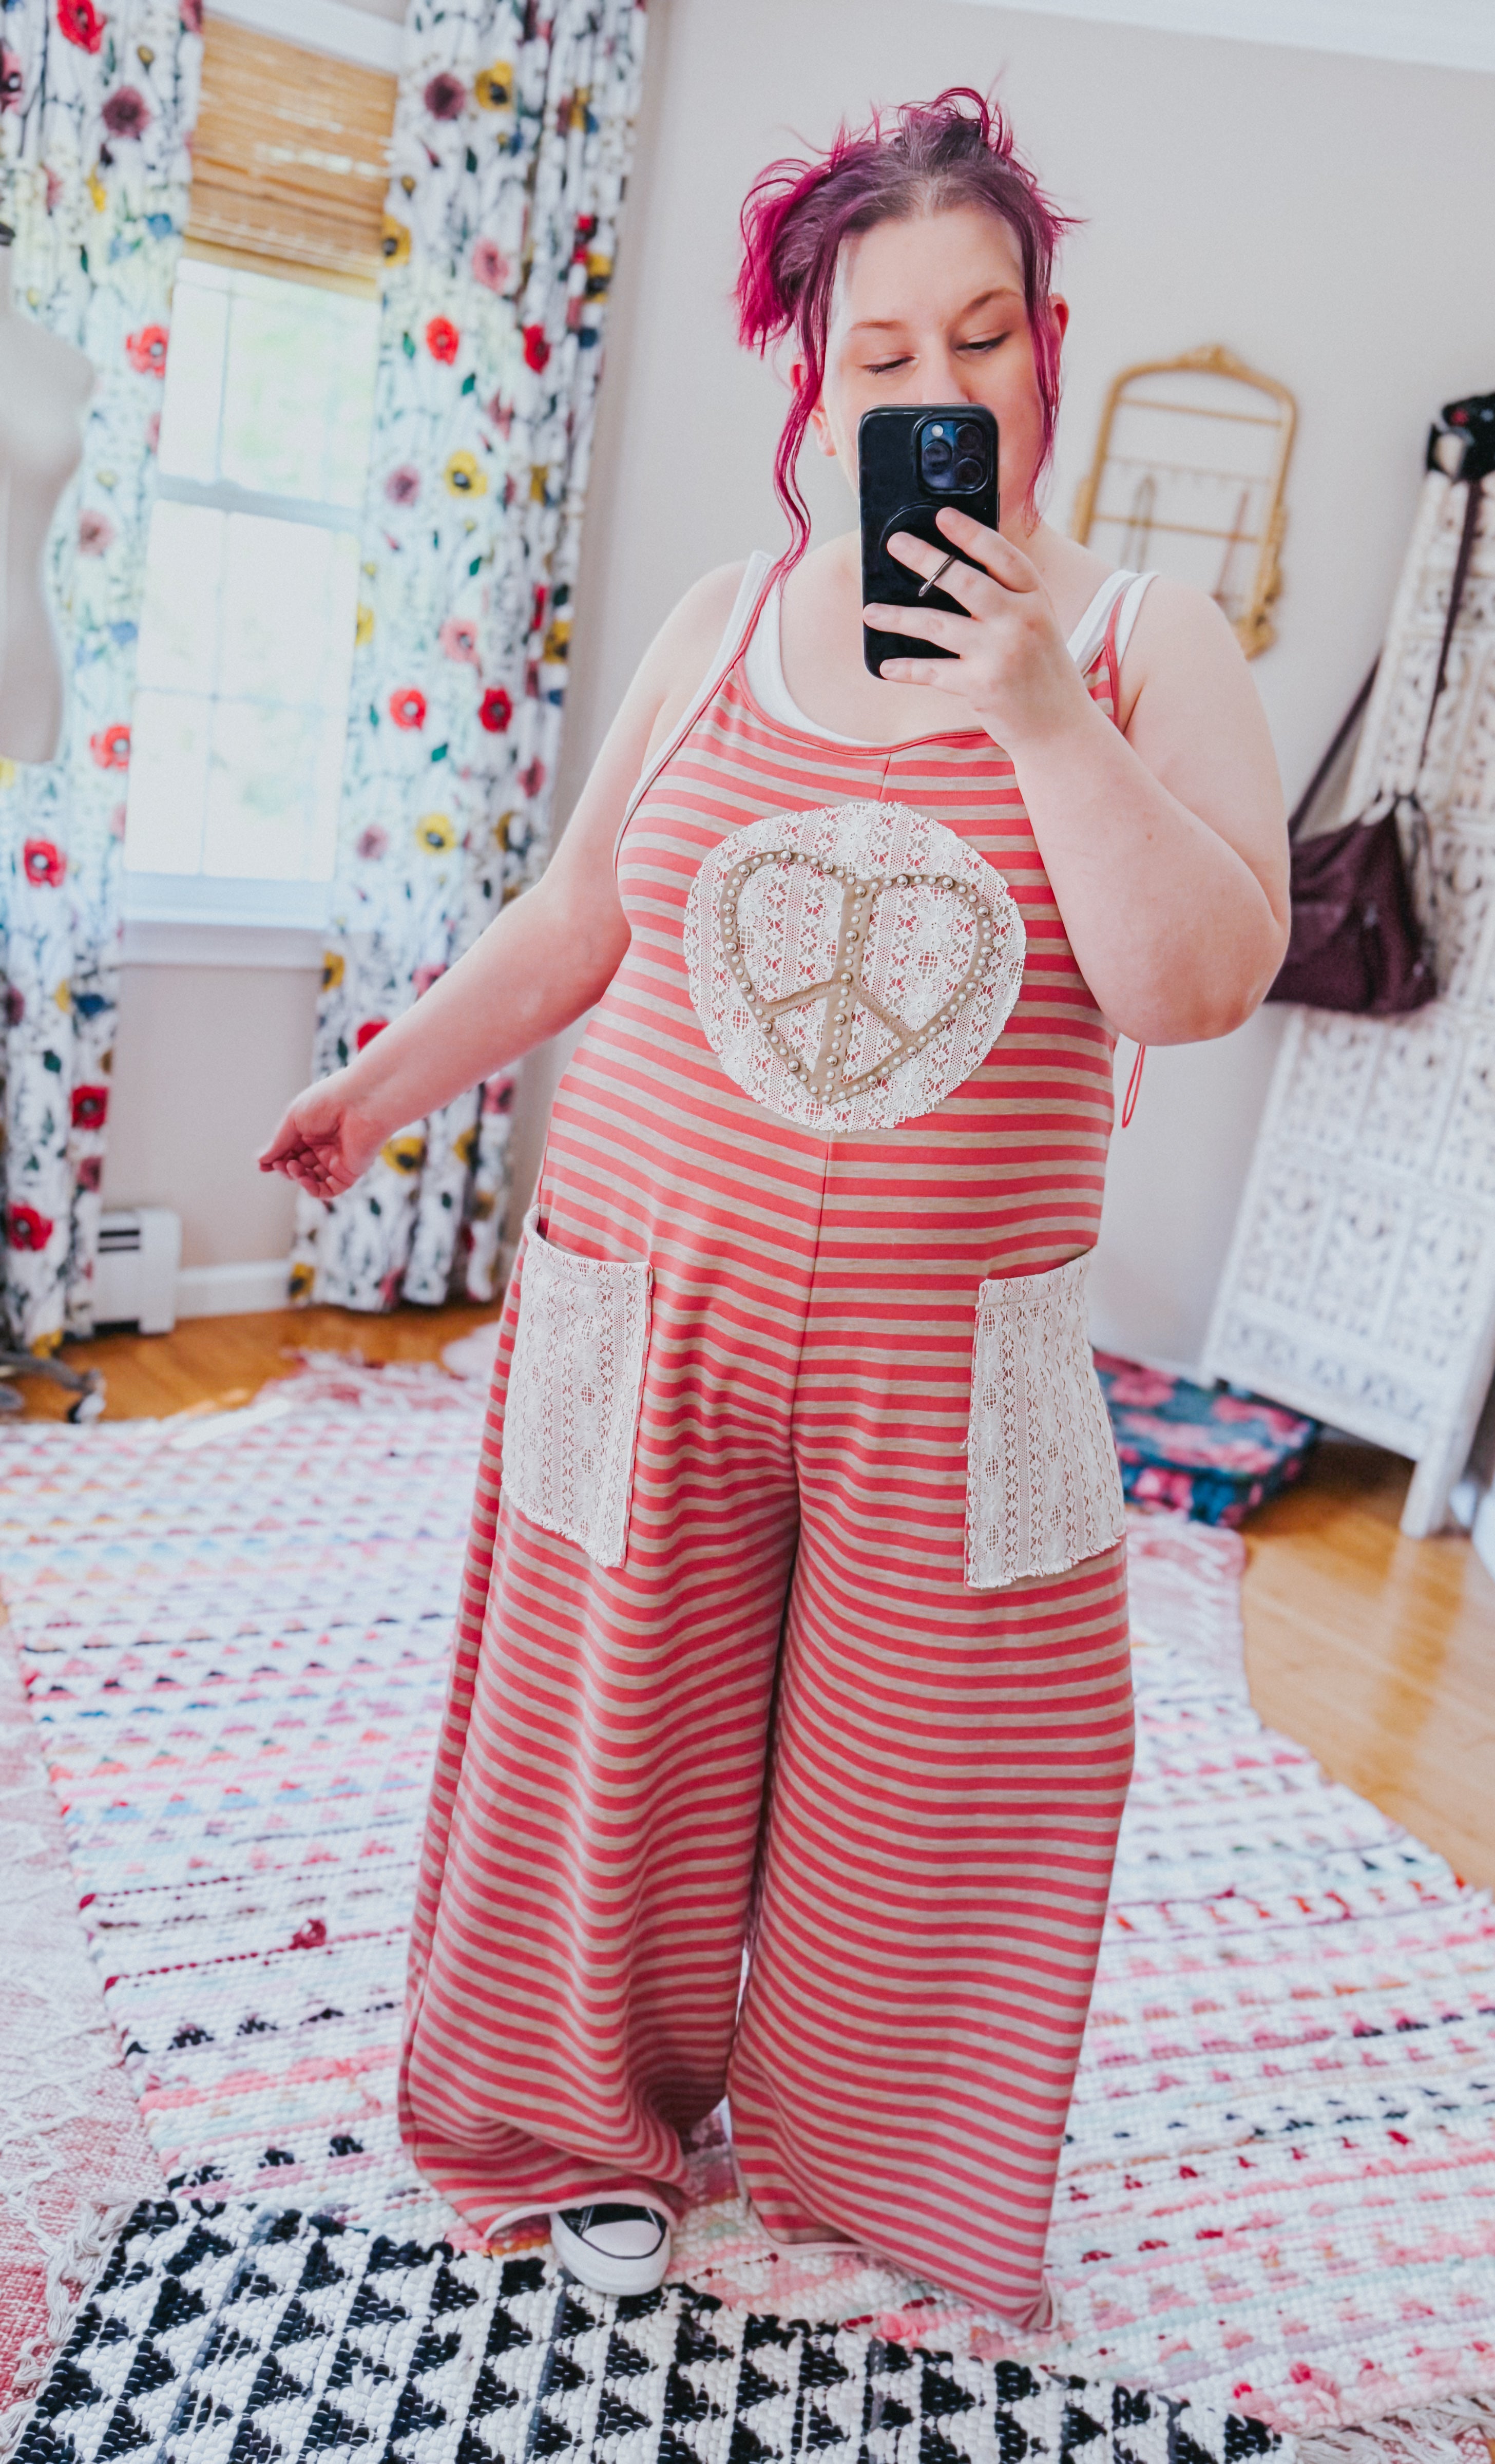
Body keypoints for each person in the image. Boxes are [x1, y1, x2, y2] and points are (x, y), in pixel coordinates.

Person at [260, 89, 1287, 2326]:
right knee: (601, 1734)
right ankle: (568, 2117)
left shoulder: (1137, 644)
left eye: (983, 338)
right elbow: (572, 922)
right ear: (818, 382)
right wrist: (383, 1081)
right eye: (883, 350)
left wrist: (1035, 719)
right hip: (642, 1305)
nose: (937, 390)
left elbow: (1197, 981)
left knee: (932, 1781)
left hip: (959, 1371)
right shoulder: (723, 619)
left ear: (1048, 353)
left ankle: (865, 2173)